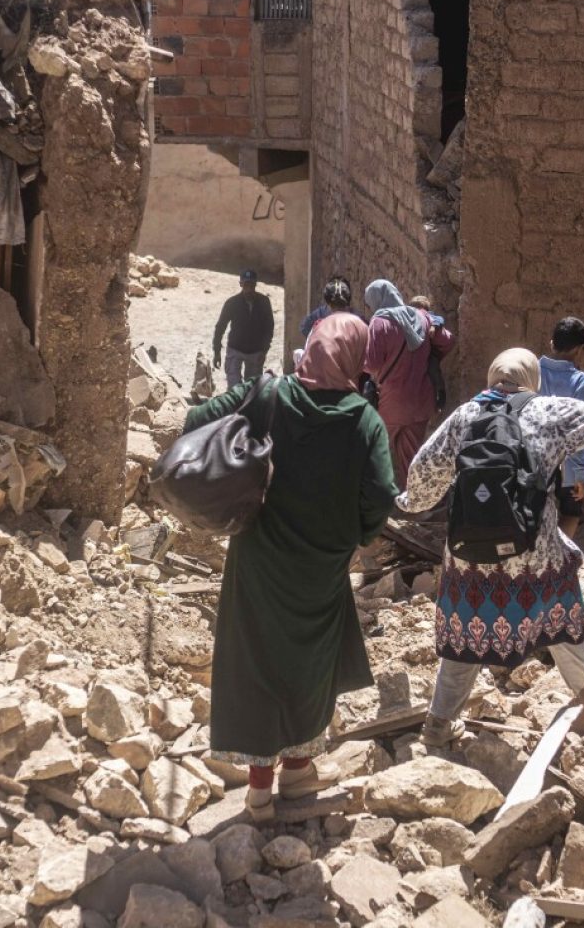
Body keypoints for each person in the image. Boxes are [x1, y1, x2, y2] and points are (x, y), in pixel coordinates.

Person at [396, 348, 584, 746]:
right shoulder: (552, 413)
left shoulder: (463, 417)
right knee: (564, 627)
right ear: (532, 379)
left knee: (462, 644)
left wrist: (405, 504)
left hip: (469, 560)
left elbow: (421, 481)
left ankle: (438, 725)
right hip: (535, 556)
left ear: (493, 377)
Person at [181, 312, 399, 821]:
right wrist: (358, 535)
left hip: (258, 555)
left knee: (257, 661)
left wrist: (244, 456)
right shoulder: (362, 418)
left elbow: (195, 423)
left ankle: (261, 788)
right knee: (309, 664)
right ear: (355, 357)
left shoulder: (270, 394)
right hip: (322, 564)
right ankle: (298, 769)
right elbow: (382, 493)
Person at [363, 279, 455, 488]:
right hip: (421, 400)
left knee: (376, 451)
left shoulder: (379, 322)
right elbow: (448, 340)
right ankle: (416, 504)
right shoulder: (421, 317)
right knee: (411, 456)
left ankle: (376, 501)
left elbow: (371, 364)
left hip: (392, 404)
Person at [540, 317, 584, 539]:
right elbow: (577, 431)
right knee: (571, 512)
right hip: (565, 462)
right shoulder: (580, 380)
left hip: (534, 459)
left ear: (552, 344)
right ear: (581, 350)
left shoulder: (532, 369)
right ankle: (560, 561)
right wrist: (579, 474)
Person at [213, 270, 274, 390]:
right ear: (241, 284)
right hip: (235, 349)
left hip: (256, 352)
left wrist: (264, 350)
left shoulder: (264, 302)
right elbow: (220, 326)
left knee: (252, 390)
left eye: (251, 285)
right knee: (234, 389)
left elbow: (269, 327)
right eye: (246, 285)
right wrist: (217, 351)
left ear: (255, 285)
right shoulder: (232, 303)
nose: (249, 289)